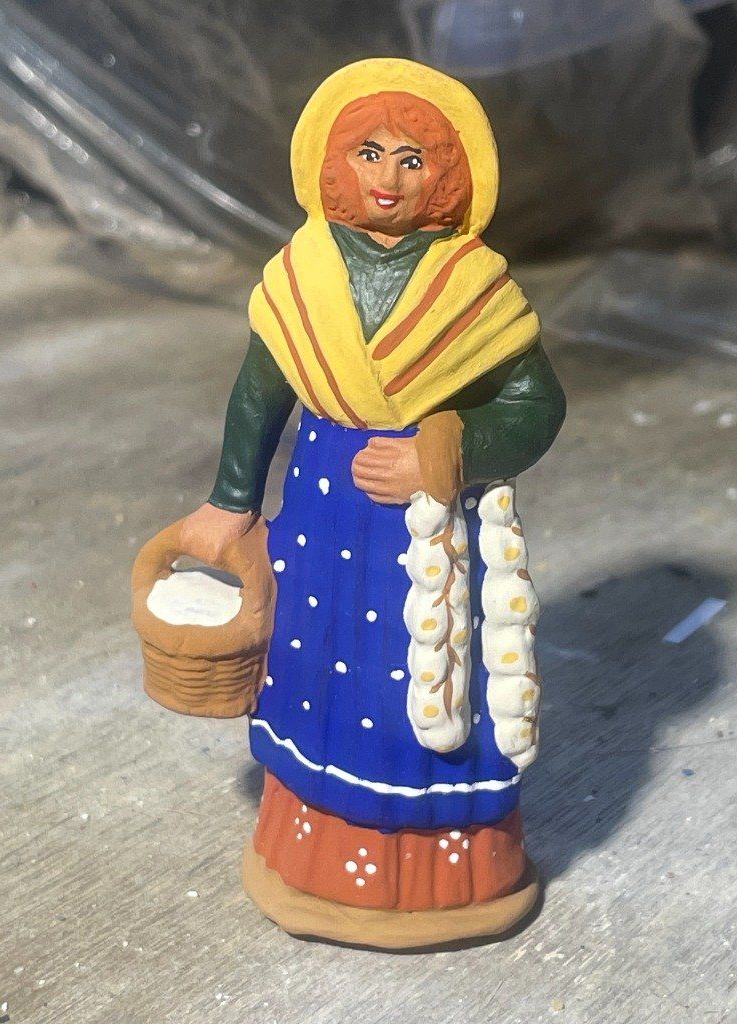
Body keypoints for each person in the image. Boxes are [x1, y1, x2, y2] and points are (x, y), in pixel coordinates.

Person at [179, 58, 565, 947]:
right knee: (314, 662)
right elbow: (259, 392)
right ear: (333, 163)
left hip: (429, 531)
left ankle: (448, 870)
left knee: (430, 680)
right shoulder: (301, 274)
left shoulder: (476, 288)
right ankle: (313, 851)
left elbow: (537, 405)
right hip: (322, 514)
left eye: (412, 159)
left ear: (448, 176)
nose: (387, 178)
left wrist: (444, 454)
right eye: (368, 152)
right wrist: (231, 501)